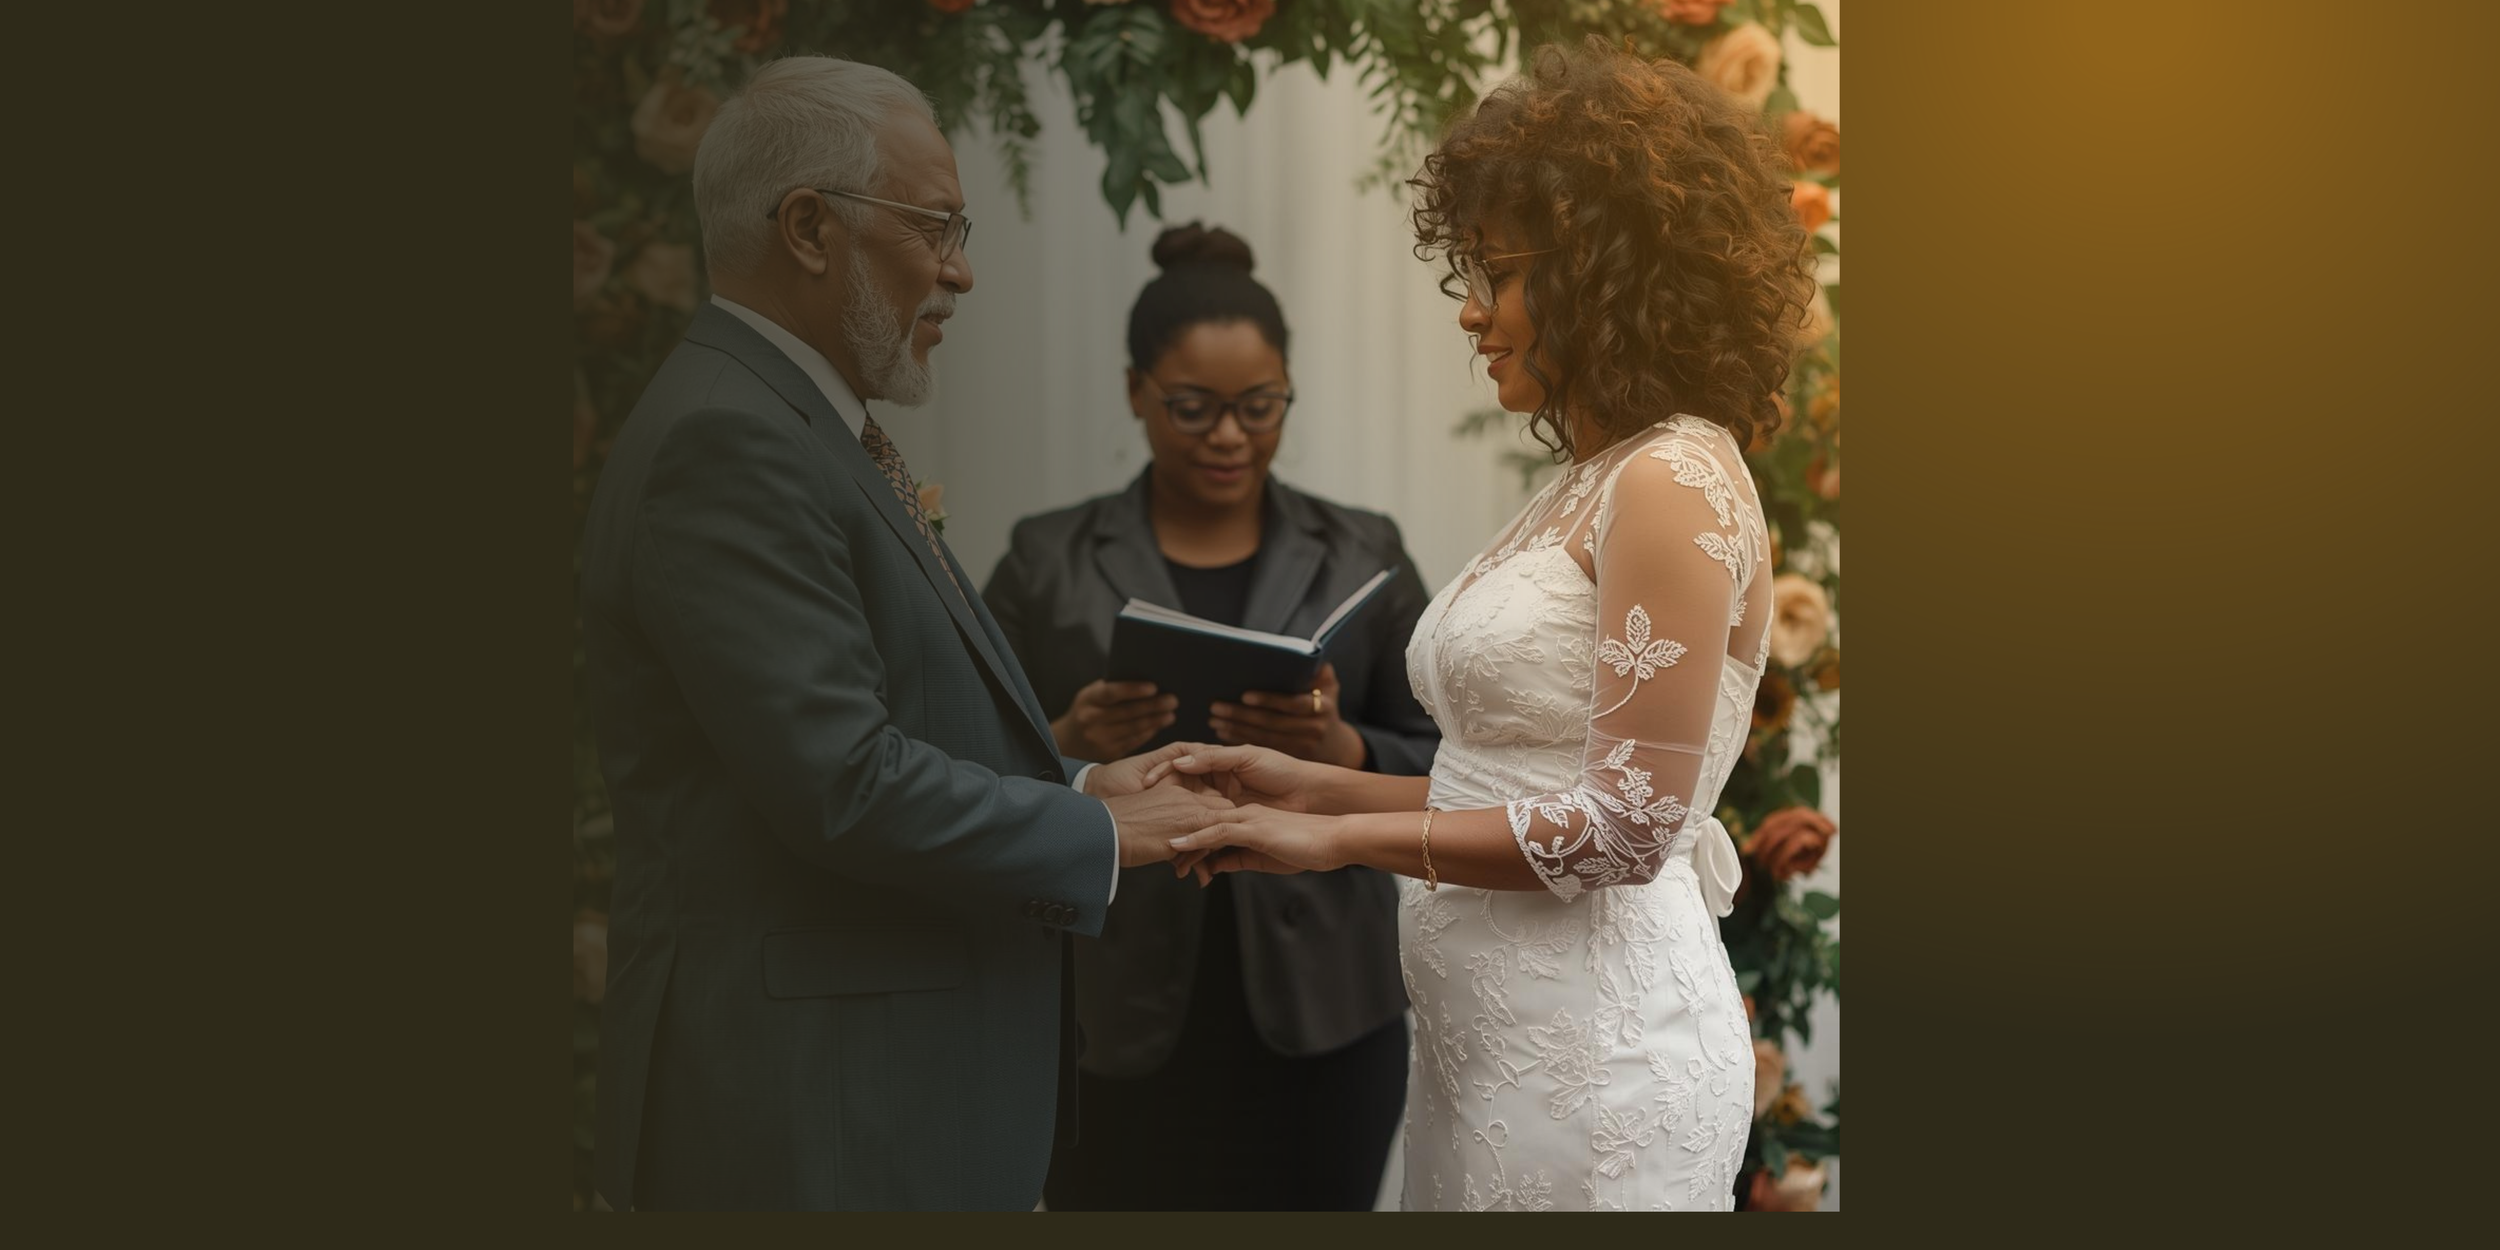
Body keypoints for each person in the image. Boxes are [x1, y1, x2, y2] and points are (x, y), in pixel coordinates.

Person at [1149, 40, 1819, 1212]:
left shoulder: (1672, 479)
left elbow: (1622, 826)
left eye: (1498, 274)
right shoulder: (1590, 481)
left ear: (1604, 275)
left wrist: (1334, 842)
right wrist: (1306, 789)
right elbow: (1505, 778)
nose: (1470, 310)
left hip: (1599, 1063)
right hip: (1498, 1055)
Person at [577, 56, 1224, 1212]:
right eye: (935, 226)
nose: (960, 269)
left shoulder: (794, 422)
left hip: (872, 1098)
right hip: (813, 1113)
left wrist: (1082, 776)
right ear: (809, 228)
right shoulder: (729, 441)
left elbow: (893, 721)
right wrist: (1100, 830)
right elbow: (840, 781)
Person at [981, 224, 1440, 1210]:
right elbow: (958, 769)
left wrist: (1340, 747)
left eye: (1259, 406)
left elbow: (1457, 768)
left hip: (1328, 1008)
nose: (1229, 436)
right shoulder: (1047, 559)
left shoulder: (1362, 552)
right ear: (1134, 391)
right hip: (1108, 1008)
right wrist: (1069, 741)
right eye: (1192, 408)